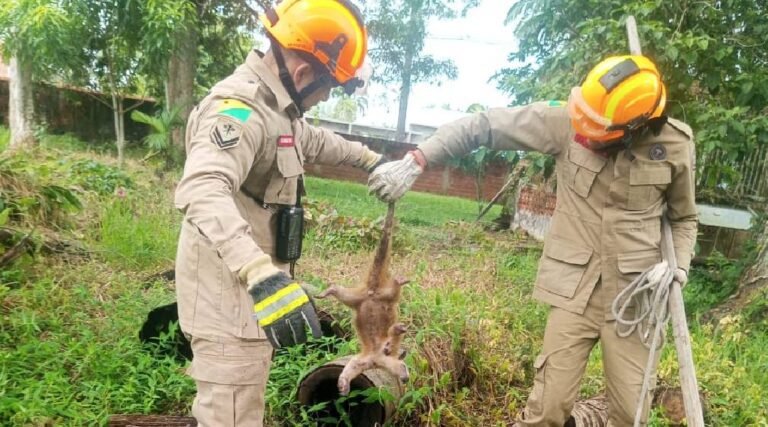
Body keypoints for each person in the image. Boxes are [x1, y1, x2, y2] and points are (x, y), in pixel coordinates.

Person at [369, 55, 697, 425]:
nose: (585, 134)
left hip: (634, 301)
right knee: (547, 409)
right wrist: (419, 158)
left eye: (598, 133)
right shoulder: (569, 120)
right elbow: (485, 125)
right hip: (575, 292)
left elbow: (684, 218)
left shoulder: (674, 145)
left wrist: (678, 267)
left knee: (629, 413)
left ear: (634, 130)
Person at [173, 1, 385, 425]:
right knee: (230, 416)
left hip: (252, 298)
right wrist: (258, 271)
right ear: (305, 73)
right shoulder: (239, 109)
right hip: (229, 299)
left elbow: (313, 141)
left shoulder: (278, 110)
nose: (327, 96)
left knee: (245, 407)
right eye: (330, 86)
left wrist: (373, 161)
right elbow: (203, 186)